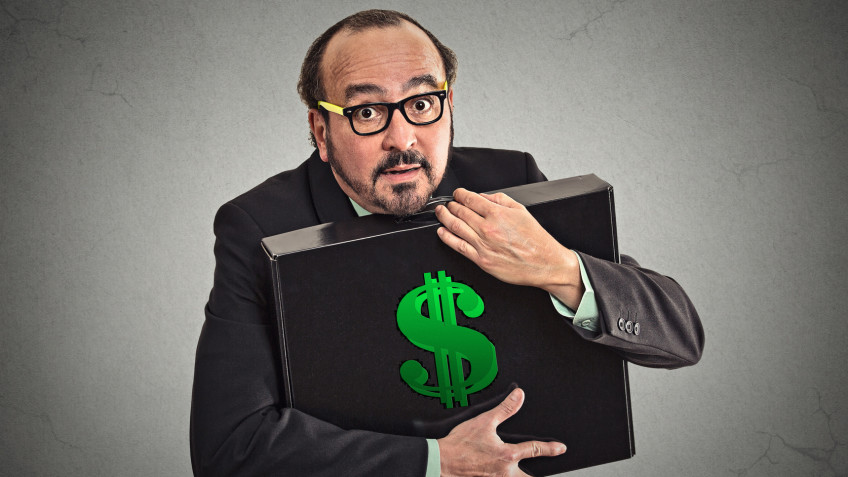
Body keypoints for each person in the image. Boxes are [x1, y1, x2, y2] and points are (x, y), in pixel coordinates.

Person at [190, 9, 704, 477]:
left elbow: (679, 337)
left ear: (448, 104)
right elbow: (229, 449)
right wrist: (437, 464)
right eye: (367, 112)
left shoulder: (510, 182)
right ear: (321, 131)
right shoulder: (258, 228)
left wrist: (560, 268)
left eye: (421, 103)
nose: (403, 138)